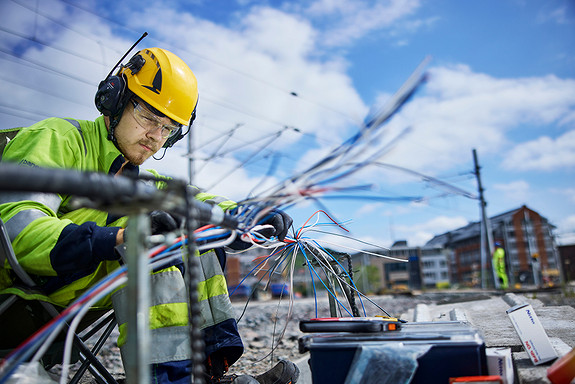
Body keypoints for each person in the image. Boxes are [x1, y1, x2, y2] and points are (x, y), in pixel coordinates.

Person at [0, 47, 298, 384]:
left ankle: (208, 374)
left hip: (69, 297)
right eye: (148, 119)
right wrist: (117, 237)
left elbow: (195, 199)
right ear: (114, 100)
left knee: (189, 221)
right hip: (20, 299)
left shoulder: (129, 174)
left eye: (168, 129)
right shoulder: (59, 138)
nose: (155, 138)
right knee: (153, 234)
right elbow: (17, 231)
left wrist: (242, 217)